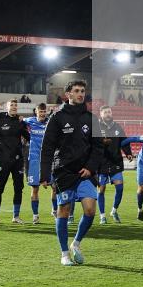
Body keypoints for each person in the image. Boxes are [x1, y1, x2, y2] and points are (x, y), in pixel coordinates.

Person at [40, 80, 101, 266]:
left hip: (85, 172)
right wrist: (44, 174)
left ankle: (76, 243)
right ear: (68, 94)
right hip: (64, 171)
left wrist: (90, 167)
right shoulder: (57, 117)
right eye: (76, 91)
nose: (81, 94)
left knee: (90, 210)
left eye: (83, 91)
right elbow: (47, 147)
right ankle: (64, 254)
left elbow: (98, 147)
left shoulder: (91, 118)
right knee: (64, 210)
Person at [0, 99, 30, 225]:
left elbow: (29, 137)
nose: (14, 107)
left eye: (15, 105)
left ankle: (16, 216)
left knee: (18, 188)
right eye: (11, 105)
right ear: (7, 107)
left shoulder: (20, 122)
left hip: (17, 160)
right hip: (3, 160)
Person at [95, 105, 132, 224]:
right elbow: (91, 143)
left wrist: (128, 153)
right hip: (101, 163)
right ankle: (102, 216)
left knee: (120, 188)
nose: (108, 114)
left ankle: (114, 210)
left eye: (109, 112)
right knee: (101, 190)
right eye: (105, 112)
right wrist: (102, 142)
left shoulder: (117, 127)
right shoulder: (96, 127)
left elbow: (124, 141)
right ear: (101, 114)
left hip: (115, 162)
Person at [24, 103, 51, 224]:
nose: (43, 114)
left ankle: (55, 211)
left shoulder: (50, 122)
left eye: (44, 112)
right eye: (41, 112)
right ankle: (35, 215)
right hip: (34, 159)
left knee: (54, 187)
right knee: (35, 188)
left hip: (48, 159)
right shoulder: (29, 121)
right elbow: (18, 121)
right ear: (36, 112)